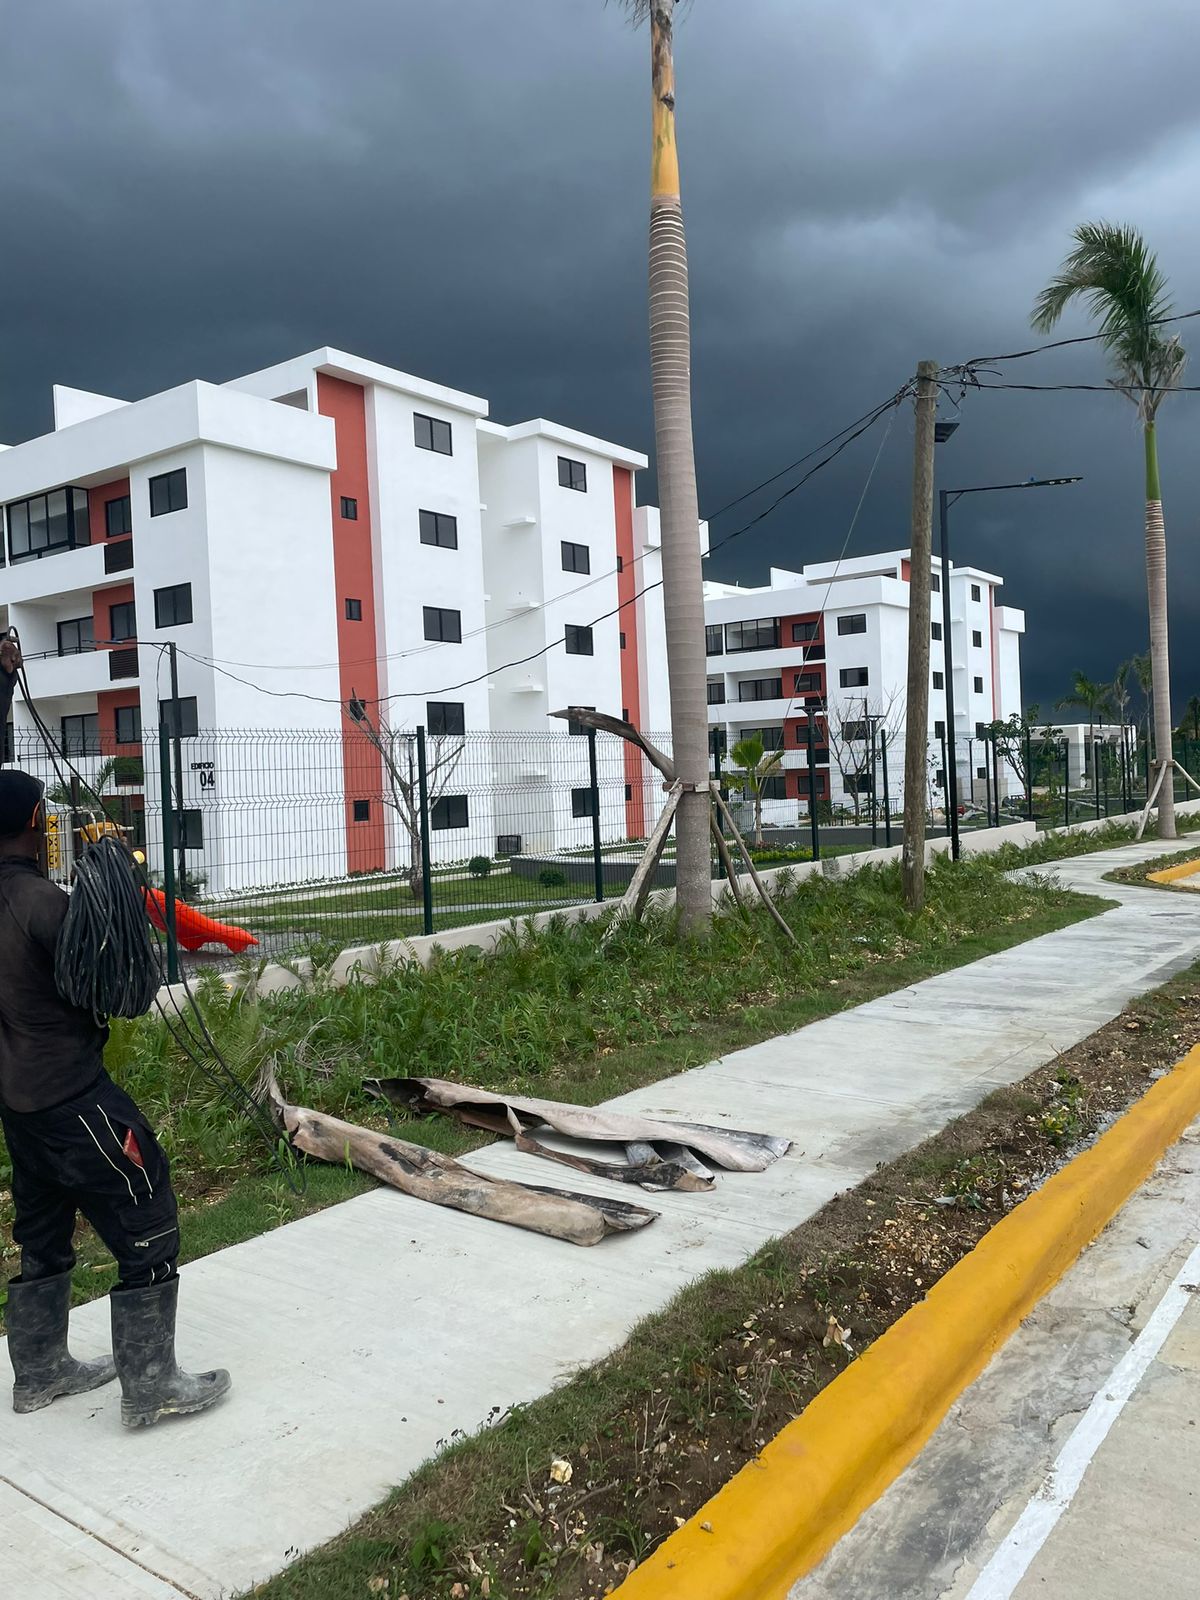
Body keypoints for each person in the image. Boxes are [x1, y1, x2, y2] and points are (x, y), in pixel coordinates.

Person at [0, 639, 230, 1427]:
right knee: (147, 1212)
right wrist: (114, 874)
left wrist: (3, 684)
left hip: (19, 1108)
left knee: (42, 1234)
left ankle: (40, 1374)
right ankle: (151, 1385)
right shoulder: (42, 906)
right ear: (38, 823)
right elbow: (115, 986)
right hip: (74, 1099)